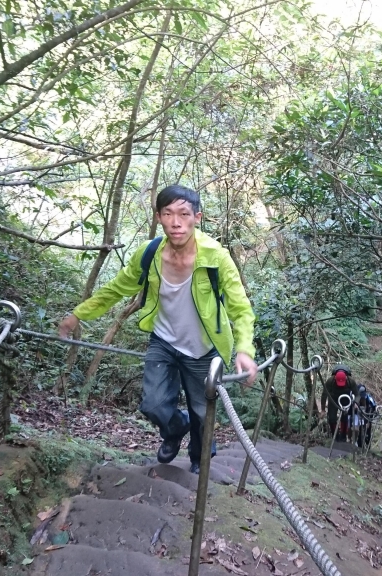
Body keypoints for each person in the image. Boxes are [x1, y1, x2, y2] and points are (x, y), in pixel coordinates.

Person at [58, 184, 258, 475]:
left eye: (183, 214)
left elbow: (240, 309)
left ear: (197, 218)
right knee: (152, 404)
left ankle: (199, 461)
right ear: (158, 217)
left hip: (203, 348)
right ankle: (175, 428)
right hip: (163, 340)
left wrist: (244, 349)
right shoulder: (150, 253)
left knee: (203, 413)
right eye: (168, 213)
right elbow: (116, 289)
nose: (176, 222)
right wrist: (78, 314)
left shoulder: (216, 257)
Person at [322, 364, 356, 441]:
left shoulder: (351, 381)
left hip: (345, 399)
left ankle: (343, 436)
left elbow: (357, 394)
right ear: (335, 378)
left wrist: (355, 404)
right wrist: (323, 409)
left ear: (346, 378)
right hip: (333, 399)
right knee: (332, 418)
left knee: (344, 417)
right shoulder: (330, 381)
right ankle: (335, 435)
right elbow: (324, 395)